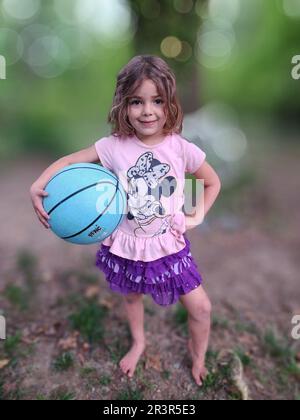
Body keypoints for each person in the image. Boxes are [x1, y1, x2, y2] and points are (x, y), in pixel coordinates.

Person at [30, 55, 221, 387]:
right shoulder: (113, 146)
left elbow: (212, 182)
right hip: (127, 244)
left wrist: (195, 217)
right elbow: (70, 160)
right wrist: (39, 184)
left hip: (169, 246)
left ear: (170, 104)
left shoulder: (179, 148)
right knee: (132, 297)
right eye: (137, 101)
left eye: (157, 101)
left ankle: (199, 355)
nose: (147, 110)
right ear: (124, 105)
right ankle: (139, 341)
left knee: (201, 307)